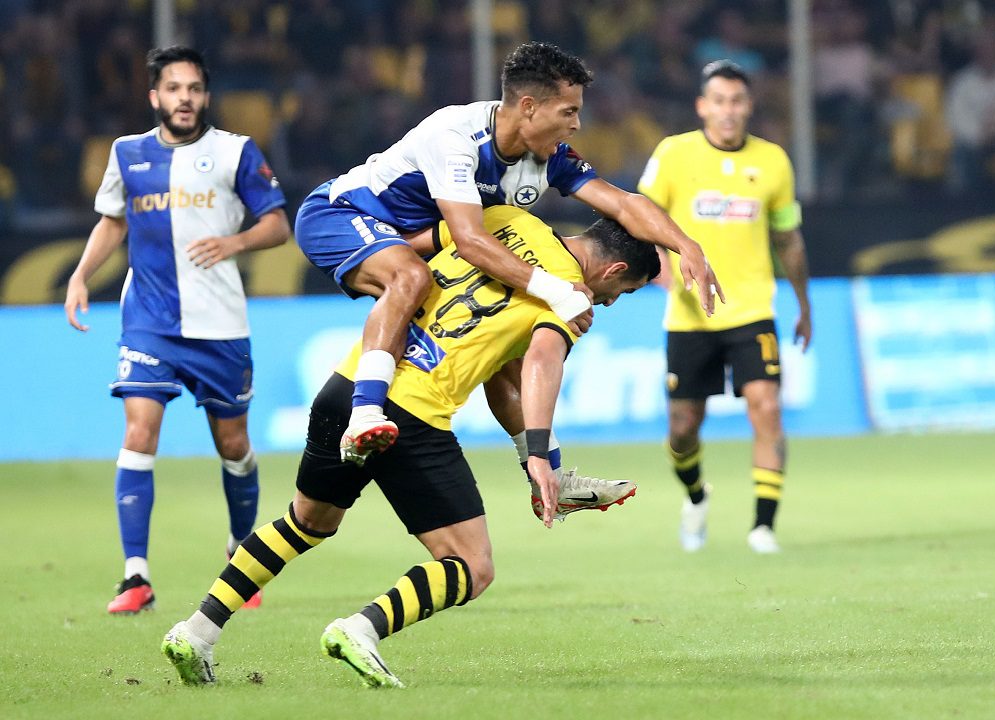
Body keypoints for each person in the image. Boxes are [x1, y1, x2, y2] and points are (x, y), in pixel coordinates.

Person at [161, 205, 659, 686]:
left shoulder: (503, 221)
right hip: (412, 414)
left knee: (305, 522)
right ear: (613, 269)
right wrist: (538, 458)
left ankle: (196, 632)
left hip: (352, 386)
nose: (613, 301)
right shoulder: (569, 295)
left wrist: (545, 462)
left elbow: (497, 374)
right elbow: (540, 362)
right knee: (472, 565)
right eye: (625, 290)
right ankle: (360, 630)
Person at [293, 41, 720, 475]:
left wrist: (686, 245)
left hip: (424, 238)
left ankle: (549, 471)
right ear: (529, 107)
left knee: (504, 346)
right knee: (410, 278)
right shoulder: (455, 137)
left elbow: (624, 204)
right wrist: (558, 291)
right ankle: (365, 414)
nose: (577, 124)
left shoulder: (547, 157)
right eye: (568, 112)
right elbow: (470, 241)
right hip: (345, 214)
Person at [64, 46, 290, 614]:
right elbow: (112, 222)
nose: (184, 98)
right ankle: (135, 578)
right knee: (139, 432)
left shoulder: (236, 152)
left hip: (220, 325)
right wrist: (81, 275)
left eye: (193, 88)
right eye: (173, 88)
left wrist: (235, 242)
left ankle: (242, 556)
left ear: (205, 96)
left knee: (233, 445)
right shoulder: (128, 153)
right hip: (150, 321)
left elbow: (277, 225)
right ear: (155, 97)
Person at [638, 60, 813, 554]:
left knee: (767, 408)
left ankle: (763, 528)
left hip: (752, 309)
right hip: (690, 314)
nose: (728, 111)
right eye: (719, 101)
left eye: (737, 101)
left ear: (749, 106)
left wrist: (804, 304)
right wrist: (660, 268)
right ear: (702, 106)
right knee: (683, 428)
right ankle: (696, 496)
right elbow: (641, 216)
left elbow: (788, 238)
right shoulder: (673, 154)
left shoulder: (773, 161)